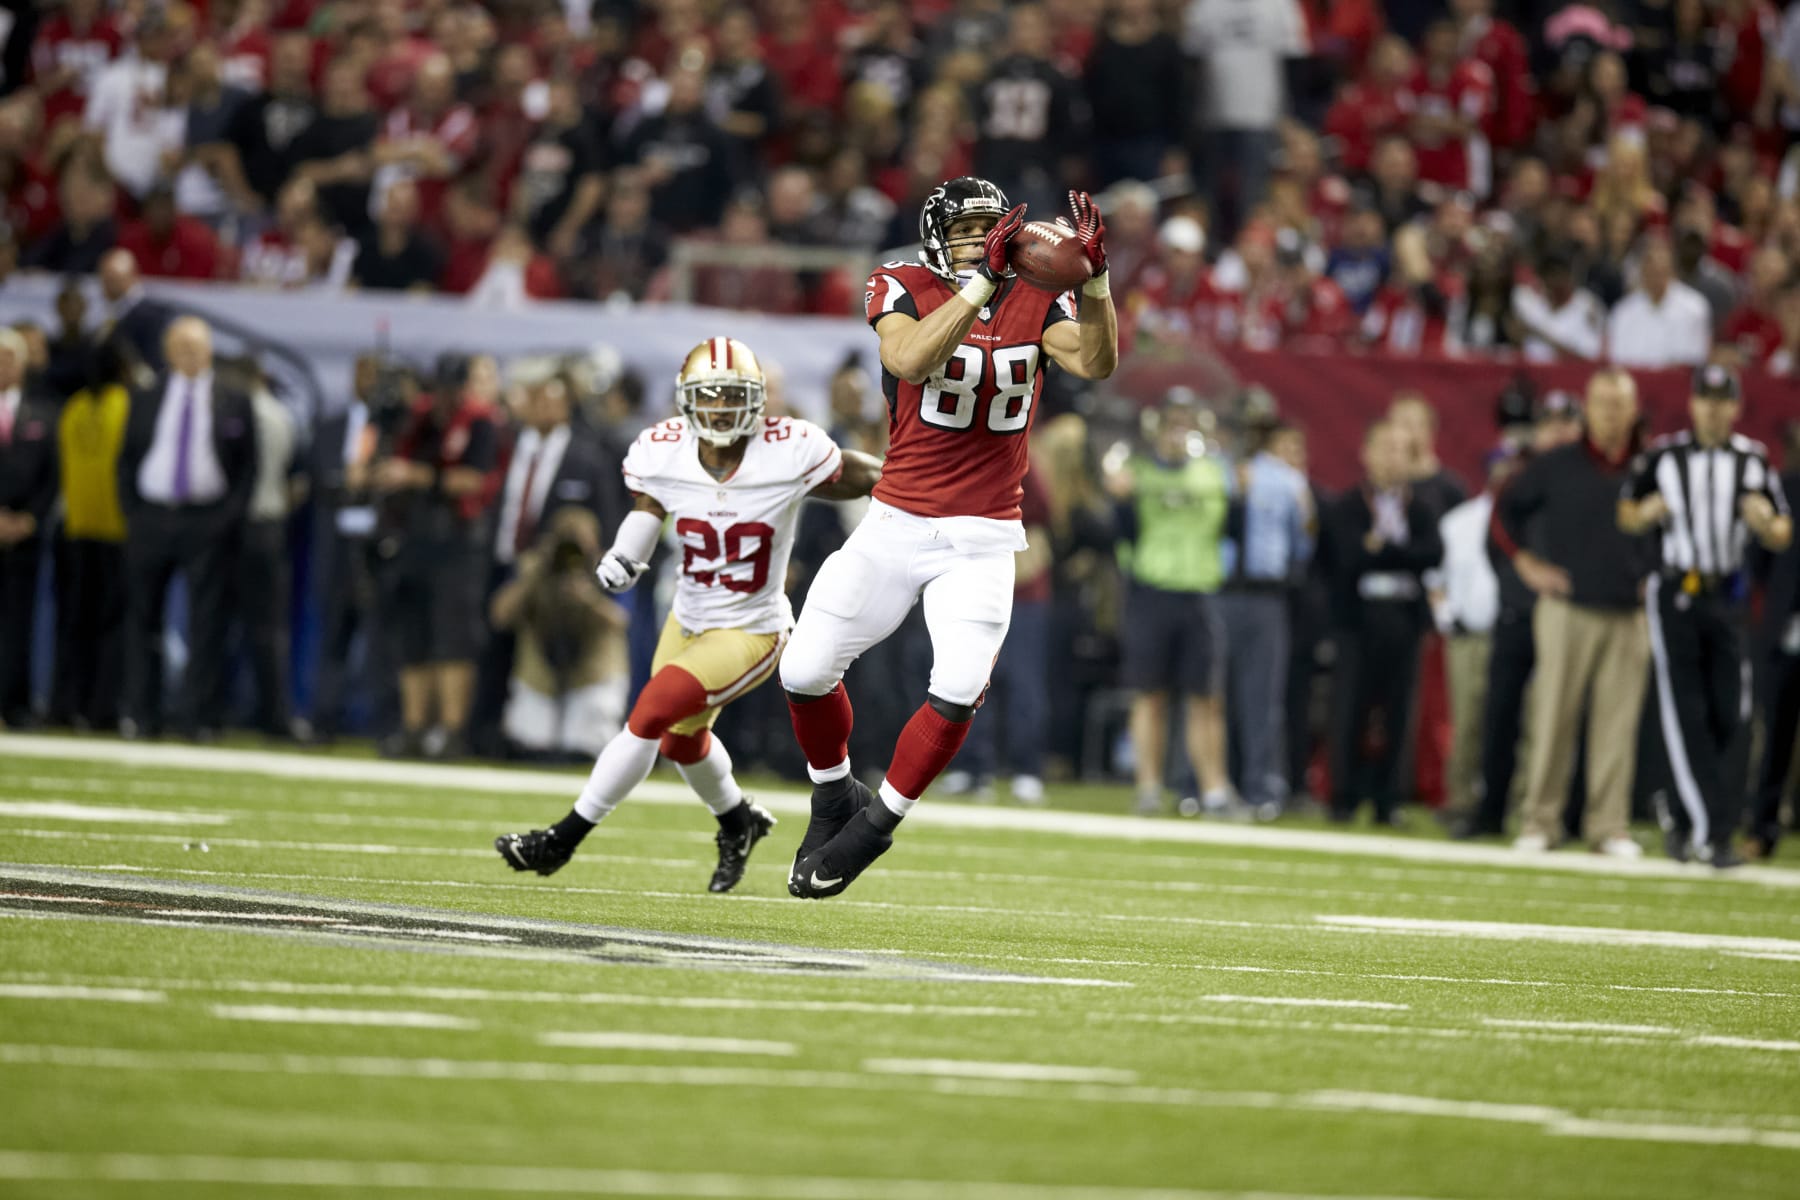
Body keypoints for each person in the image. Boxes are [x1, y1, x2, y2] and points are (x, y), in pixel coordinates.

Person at [779, 177, 1117, 899]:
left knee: (960, 686)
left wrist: (1096, 283)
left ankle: (875, 827)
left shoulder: (1036, 297)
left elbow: (1095, 361)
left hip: (984, 535)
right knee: (804, 671)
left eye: (991, 231)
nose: (982, 243)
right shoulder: (898, 281)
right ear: (936, 235)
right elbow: (908, 360)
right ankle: (833, 796)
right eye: (967, 232)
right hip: (896, 522)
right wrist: (981, 286)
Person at [496, 338, 880, 893]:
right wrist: (627, 555)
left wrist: (912, 483)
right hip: (688, 614)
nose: (721, 408)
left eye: (733, 397)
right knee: (679, 741)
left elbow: (860, 473)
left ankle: (562, 838)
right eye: (710, 396)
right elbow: (648, 508)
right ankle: (737, 821)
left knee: (650, 713)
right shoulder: (666, 449)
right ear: (685, 400)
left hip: (751, 627)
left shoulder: (788, 448)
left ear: (757, 402)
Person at [1621, 364, 1792, 868]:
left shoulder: (1753, 461)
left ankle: (1680, 812)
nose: (1713, 409)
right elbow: (1626, 513)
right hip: (1677, 589)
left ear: (1736, 407)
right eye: (1706, 399)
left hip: (1728, 596)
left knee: (1732, 714)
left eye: (1723, 400)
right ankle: (1709, 834)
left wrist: (1764, 524)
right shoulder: (1665, 456)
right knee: (1686, 712)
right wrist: (1647, 513)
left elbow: (1783, 531)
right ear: (1693, 404)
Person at [1496, 369, 1654, 857]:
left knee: (1617, 726)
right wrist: (1527, 564)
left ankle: (1608, 826)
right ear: (1587, 408)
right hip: (1566, 608)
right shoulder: (1556, 463)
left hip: (1629, 612)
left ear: (1633, 410)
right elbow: (1504, 512)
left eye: (1619, 403)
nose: (1610, 413)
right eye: (1602, 402)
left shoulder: (1649, 468)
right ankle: (1540, 820)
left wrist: (1658, 574)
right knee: (1552, 719)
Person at [116, 316, 259, 740]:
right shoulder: (145, 396)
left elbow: (248, 468)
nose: (190, 354)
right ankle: (142, 713)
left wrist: (226, 518)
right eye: (181, 346)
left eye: (196, 346)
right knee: (143, 619)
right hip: (152, 517)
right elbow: (127, 459)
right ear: (167, 351)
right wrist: (134, 513)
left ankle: (197, 716)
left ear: (210, 349)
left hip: (206, 520)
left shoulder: (233, 397)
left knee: (207, 622)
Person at [1108, 389, 1232, 817]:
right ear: (1157, 426)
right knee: (1149, 695)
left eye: (1186, 420)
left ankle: (1215, 790)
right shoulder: (1135, 473)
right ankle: (1148, 787)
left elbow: (1232, 529)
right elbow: (1121, 535)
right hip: (1151, 589)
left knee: (1206, 698)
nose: (1179, 430)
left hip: (1199, 590)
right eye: (1172, 421)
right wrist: (1119, 500)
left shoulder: (1216, 474)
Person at [374, 355, 502, 759]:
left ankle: (450, 731)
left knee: (453, 638)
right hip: (414, 538)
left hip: (459, 543)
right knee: (413, 636)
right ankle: (415, 728)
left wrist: (414, 476)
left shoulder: (481, 423)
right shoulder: (420, 419)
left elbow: (473, 480)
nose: (446, 396)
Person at [1318, 420, 1443, 825]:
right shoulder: (1348, 505)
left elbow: (1431, 553)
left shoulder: (1420, 508)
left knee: (1398, 712)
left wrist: (1382, 548)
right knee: (1350, 707)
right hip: (1357, 620)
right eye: (1385, 448)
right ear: (1366, 453)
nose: (1392, 458)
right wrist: (1397, 552)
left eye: (1400, 450)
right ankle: (1344, 796)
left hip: (1404, 620)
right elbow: (1348, 556)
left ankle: (1388, 799)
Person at [1220, 418, 1314, 821]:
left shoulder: (1289, 482)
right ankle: (1208, 784)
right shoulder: (1215, 472)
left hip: (1263, 594)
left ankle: (1261, 786)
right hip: (1220, 590)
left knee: (1261, 697)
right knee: (1210, 697)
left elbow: (1302, 543)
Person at [490, 506, 630, 759]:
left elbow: (622, 622)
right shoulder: (533, 567)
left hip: (591, 673)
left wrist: (589, 598)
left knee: (583, 747)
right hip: (540, 674)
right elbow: (500, 617)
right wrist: (532, 577)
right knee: (531, 745)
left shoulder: (610, 569)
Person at [48, 341, 130, 732]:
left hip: (75, 527)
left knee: (72, 622)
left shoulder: (74, 408)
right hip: (115, 529)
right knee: (112, 625)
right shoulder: (124, 406)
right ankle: (103, 707)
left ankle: (64, 703)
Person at [1434, 448, 1513, 826]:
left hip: (1513, 634)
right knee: (1466, 723)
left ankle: (1518, 801)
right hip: (1469, 636)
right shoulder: (1459, 522)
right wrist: (1449, 619)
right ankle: (1461, 800)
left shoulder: (1528, 519)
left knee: (1522, 722)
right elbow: (1437, 579)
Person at [0, 327, 57, 727]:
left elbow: (53, 477)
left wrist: (29, 518)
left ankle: (12, 703)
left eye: (9, 359)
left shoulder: (43, 413)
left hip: (23, 532)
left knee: (18, 620)